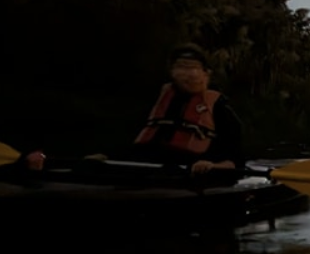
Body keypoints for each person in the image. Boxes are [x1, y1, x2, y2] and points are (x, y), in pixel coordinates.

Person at [25, 44, 243, 176]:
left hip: (188, 170)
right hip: (140, 163)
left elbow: (236, 157)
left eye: (193, 68)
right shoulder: (154, 99)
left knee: (169, 175)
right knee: (89, 165)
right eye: (181, 67)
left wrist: (215, 165)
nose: (187, 74)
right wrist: (104, 154)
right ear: (171, 72)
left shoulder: (220, 108)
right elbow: (126, 135)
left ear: (206, 74)